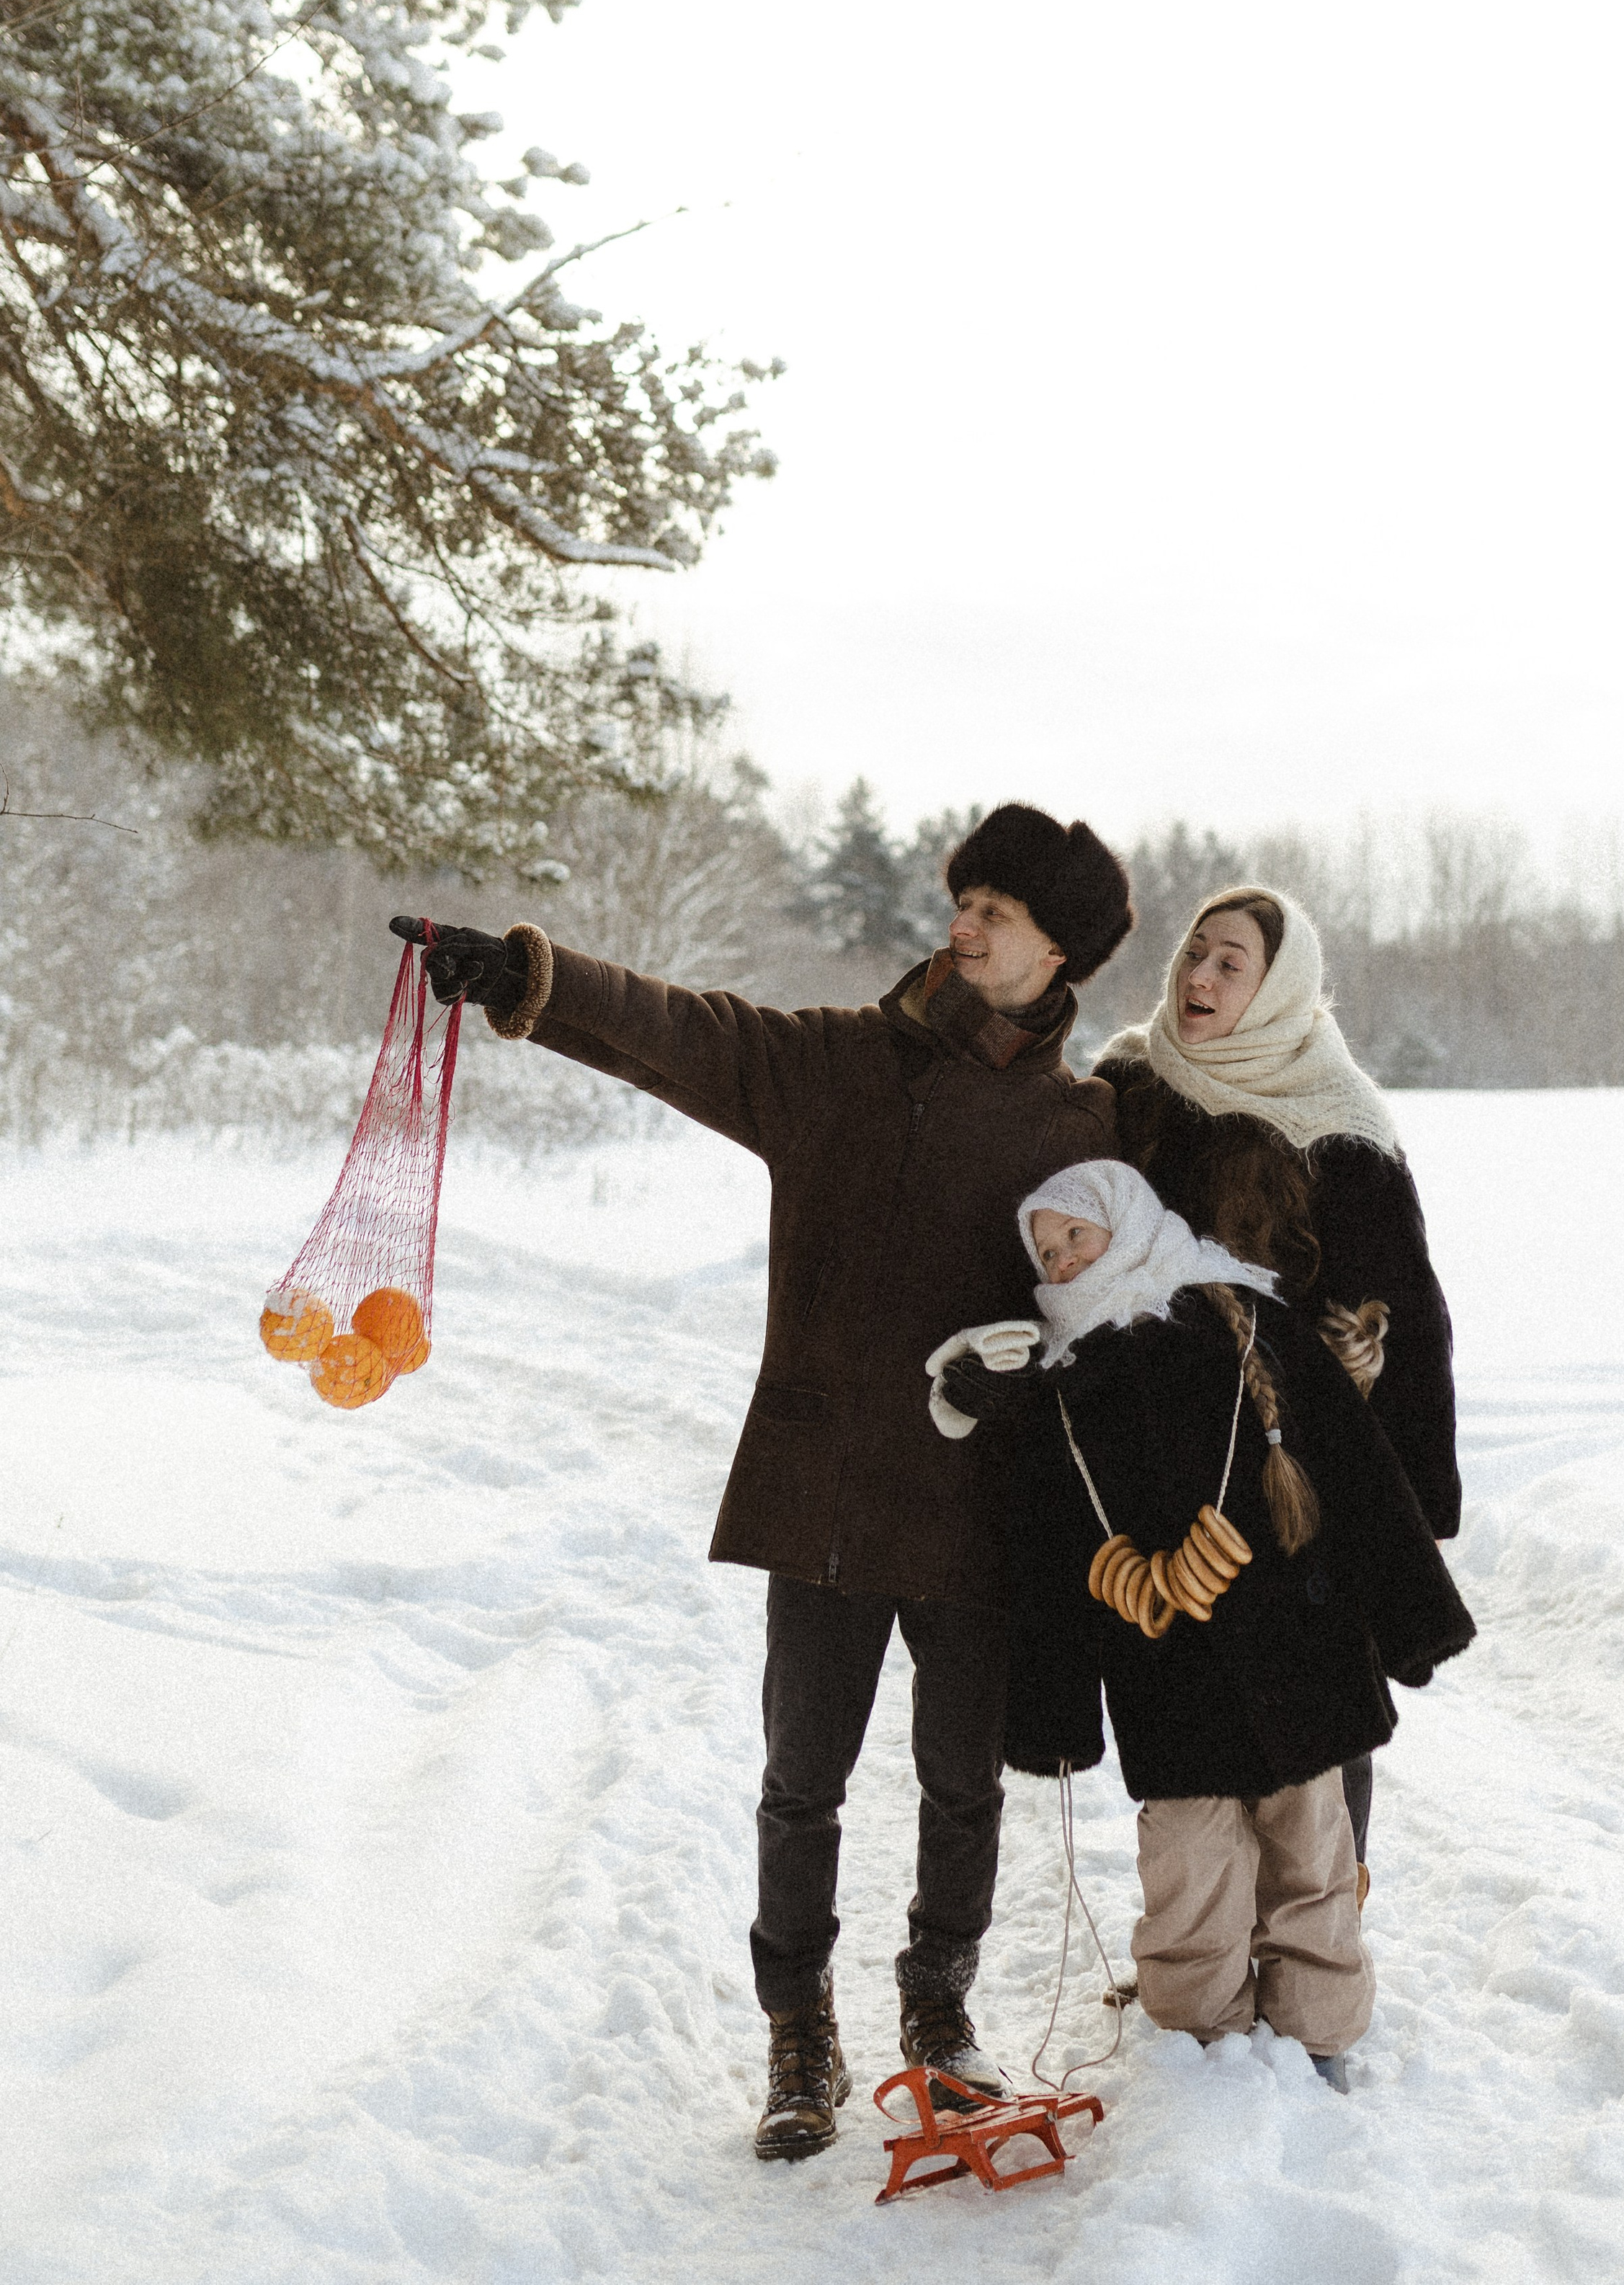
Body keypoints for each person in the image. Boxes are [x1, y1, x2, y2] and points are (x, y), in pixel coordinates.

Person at [391, 802, 1133, 2161]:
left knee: (962, 1782)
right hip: (832, 1487)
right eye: (961, 900)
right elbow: (686, 1033)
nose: (961, 926)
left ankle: (937, 2011)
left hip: (978, 1502)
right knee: (805, 1780)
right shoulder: (846, 1064)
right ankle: (800, 2033)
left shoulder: (1088, 1122)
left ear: (1057, 953)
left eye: (995, 915)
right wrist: (523, 979)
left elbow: (1136, 1298)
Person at [935, 1159, 1473, 2089]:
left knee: (1313, 1855)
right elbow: (1053, 1554)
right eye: (1047, 1248)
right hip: (1166, 1670)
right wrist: (1054, 1718)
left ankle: (1320, 2031)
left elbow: (1355, 1466)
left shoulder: (1243, 1318)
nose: (1062, 1259)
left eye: (1078, 1235)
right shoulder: (1062, 1380)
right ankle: (1199, 2050)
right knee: (1190, 1871)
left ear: (1131, 1224)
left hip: (1302, 1642)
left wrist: (1411, 1616)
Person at [1093, 886, 1460, 1890]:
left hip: (1303, 1471)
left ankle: (1323, 1939)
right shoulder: (1128, 1084)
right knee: (1187, 1707)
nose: (1200, 978)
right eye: (1194, 953)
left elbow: (1401, 1318)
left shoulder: (1339, 1125)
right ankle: (1203, 1943)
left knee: (1324, 1710)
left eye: (1231, 964)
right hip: (1167, 1466)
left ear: (1278, 988)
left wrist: (1407, 1500)